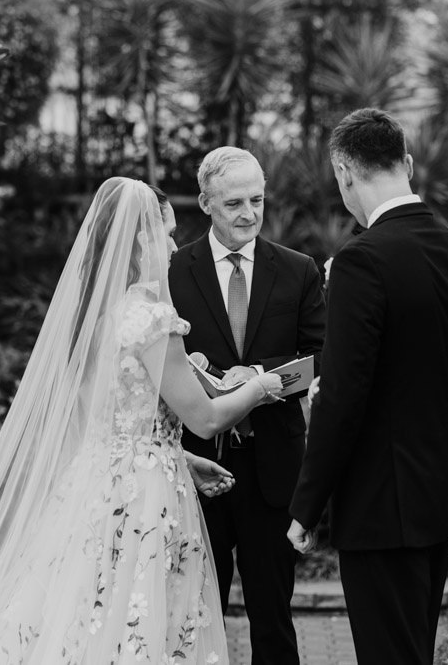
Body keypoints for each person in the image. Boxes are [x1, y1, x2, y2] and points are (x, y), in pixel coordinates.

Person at [0, 178, 285, 664]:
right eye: (168, 234)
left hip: (92, 488)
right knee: (137, 621)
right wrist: (260, 387)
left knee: (84, 616)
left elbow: (109, 419)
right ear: (140, 239)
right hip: (144, 498)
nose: (175, 247)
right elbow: (206, 416)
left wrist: (181, 456)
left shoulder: (93, 318)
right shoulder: (153, 319)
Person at [287, 108, 448, 665]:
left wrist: (306, 505)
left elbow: (345, 393)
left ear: (344, 172)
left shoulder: (362, 259)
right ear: (405, 162)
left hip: (380, 502)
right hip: (436, 494)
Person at [168, 146, 325, 665]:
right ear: (205, 202)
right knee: (190, 612)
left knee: (272, 616)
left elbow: (320, 359)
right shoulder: (173, 271)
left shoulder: (298, 270)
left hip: (272, 469)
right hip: (194, 469)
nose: (249, 214)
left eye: (257, 200)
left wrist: (259, 375)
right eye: (234, 202)